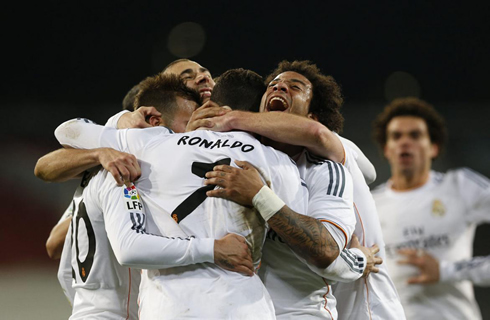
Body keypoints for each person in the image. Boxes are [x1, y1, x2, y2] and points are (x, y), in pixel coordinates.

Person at [54, 72, 312, 319]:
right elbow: (297, 239)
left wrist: (124, 122)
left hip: (168, 306)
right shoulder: (278, 162)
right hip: (245, 305)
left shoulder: (149, 144)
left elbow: (67, 132)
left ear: (210, 104)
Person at [197, 60, 403, 319]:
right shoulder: (253, 162)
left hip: (367, 307)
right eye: (272, 85)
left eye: (294, 86)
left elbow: (319, 136)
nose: (279, 87)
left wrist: (230, 117)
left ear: (311, 117)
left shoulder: (329, 161)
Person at [371, 97, 490, 320]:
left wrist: (446, 271)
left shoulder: (461, 186)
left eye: (415, 135)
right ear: (387, 149)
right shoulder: (370, 204)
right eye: (396, 136)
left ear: (433, 147)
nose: (405, 142)